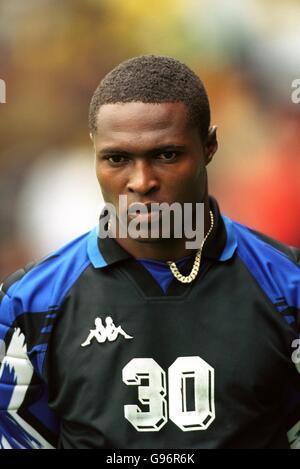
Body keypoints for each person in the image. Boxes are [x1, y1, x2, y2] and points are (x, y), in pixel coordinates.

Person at [0, 55, 299, 449]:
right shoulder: (29, 304)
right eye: (117, 158)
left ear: (209, 145)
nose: (141, 182)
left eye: (166, 155)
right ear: (95, 153)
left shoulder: (288, 287)